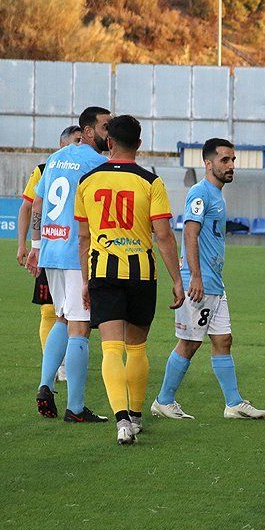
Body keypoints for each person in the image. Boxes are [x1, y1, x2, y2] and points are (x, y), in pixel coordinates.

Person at [74, 114, 184, 444]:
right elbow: (163, 236)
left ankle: (121, 421)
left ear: (109, 143)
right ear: (139, 144)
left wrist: (85, 280)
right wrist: (177, 280)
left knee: (110, 348)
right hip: (141, 274)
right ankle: (135, 416)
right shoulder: (151, 182)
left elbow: (83, 238)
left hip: (103, 273)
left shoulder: (88, 181)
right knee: (136, 348)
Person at [151, 138, 265, 423]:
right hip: (199, 283)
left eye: (232, 160)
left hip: (215, 283)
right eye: (225, 160)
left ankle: (233, 403)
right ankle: (163, 401)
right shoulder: (200, 193)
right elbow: (190, 234)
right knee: (189, 343)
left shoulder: (217, 195)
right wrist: (196, 278)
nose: (231, 166)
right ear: (208, 163)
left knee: (223, 340)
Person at [26, 107, 110, 424]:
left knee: (62, 318)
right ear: (88, 131)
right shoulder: (97, 163)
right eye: (105, 126)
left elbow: (38, 201)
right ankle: (75, 408)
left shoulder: (56, 158)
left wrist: (35, 246)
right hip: (76, 253)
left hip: (51, 248)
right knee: (80, 327)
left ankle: (46, 384)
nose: (109, 132)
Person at [16, 125, 82, 382]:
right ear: (62, 144)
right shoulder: (44, 170)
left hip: (74, 250)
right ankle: (56, 364)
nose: (80, 145)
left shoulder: (88, 166)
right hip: (51, 248)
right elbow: (29, 206)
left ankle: (64, 363)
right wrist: (25, 244)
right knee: (50, 311)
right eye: (75, 141)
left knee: (72, 314)